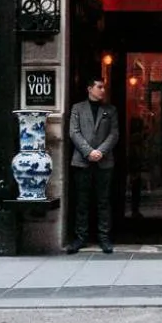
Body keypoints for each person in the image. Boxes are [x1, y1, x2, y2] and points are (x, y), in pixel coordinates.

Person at [65, 77, 118, 254]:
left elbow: (114, 134)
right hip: (82, 161)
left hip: (104, 162)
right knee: (82, 201)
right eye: (99, 87)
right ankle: (81, 237)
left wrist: (100, 151)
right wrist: (89, 152)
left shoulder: (110, 110)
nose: (103, 90)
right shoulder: (77, 108)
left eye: (104, 87)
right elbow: (74, 132)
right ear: (90, 88)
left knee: (103, 201)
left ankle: (104, 238)